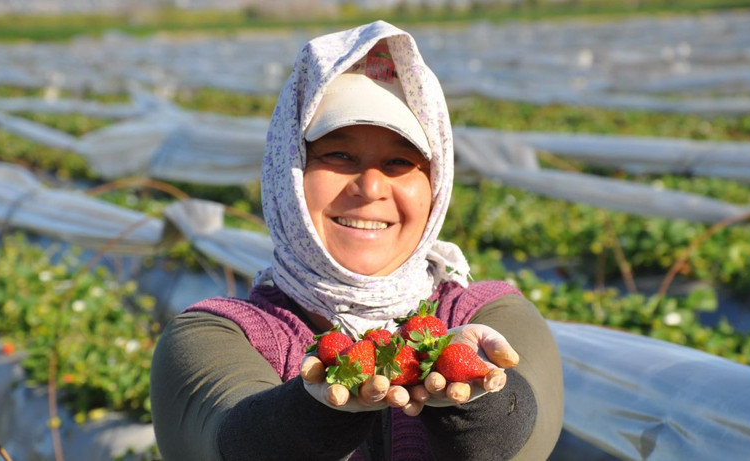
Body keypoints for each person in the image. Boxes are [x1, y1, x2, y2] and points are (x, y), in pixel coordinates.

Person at [150, 20, 564, 460]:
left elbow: (524, 433)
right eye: (339, 155)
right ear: (287, 171)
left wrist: (475, 393)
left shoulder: (492, 314)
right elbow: (229, 438)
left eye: (399, 161)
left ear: (435, 185)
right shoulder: (215, 333)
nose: (370, 187)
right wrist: (322, 405)